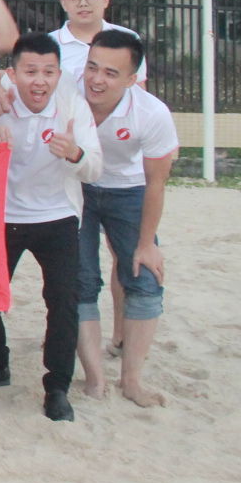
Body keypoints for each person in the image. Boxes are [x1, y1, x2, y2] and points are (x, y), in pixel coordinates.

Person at [0, 33, 102, 422]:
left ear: (59, 74)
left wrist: (74, 153)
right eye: (30, 72)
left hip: (58, 217)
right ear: (12, 74)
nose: (39, 81)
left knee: (63, 302)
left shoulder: (72, 107)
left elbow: (95, 168)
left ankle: (57, 386)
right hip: (2, 216)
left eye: (48, 72)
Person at [75, 30, 175, 407]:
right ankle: (95, 378)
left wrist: (146, 243)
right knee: (81, 281)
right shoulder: (65, 91)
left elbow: (156, 183)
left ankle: (131, 380)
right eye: (92, 67)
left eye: (111, 73)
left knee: (145, 279)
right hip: (76, 186)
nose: (97, 79)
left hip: (129, 189)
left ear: (132, 79)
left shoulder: (151, 113)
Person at [53, 0, 146, 86]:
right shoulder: (50, 44)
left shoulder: (128, 39)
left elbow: (138, 90)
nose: (83, 3)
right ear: (64, 4)